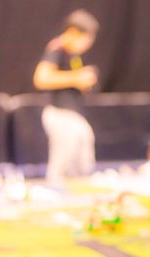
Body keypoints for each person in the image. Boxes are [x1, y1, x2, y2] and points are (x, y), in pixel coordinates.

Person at [33, 9, 99, 185]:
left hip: (73, 114)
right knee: (63, 158)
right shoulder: (57, 48)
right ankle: (55, 192)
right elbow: (41, 78)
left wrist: (84, 82)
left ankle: (80, 190)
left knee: (84, 152)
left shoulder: (73, 55)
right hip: (59, 113)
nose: (88, 44)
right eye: (86, 38)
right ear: (73, 32)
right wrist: (76, 78)